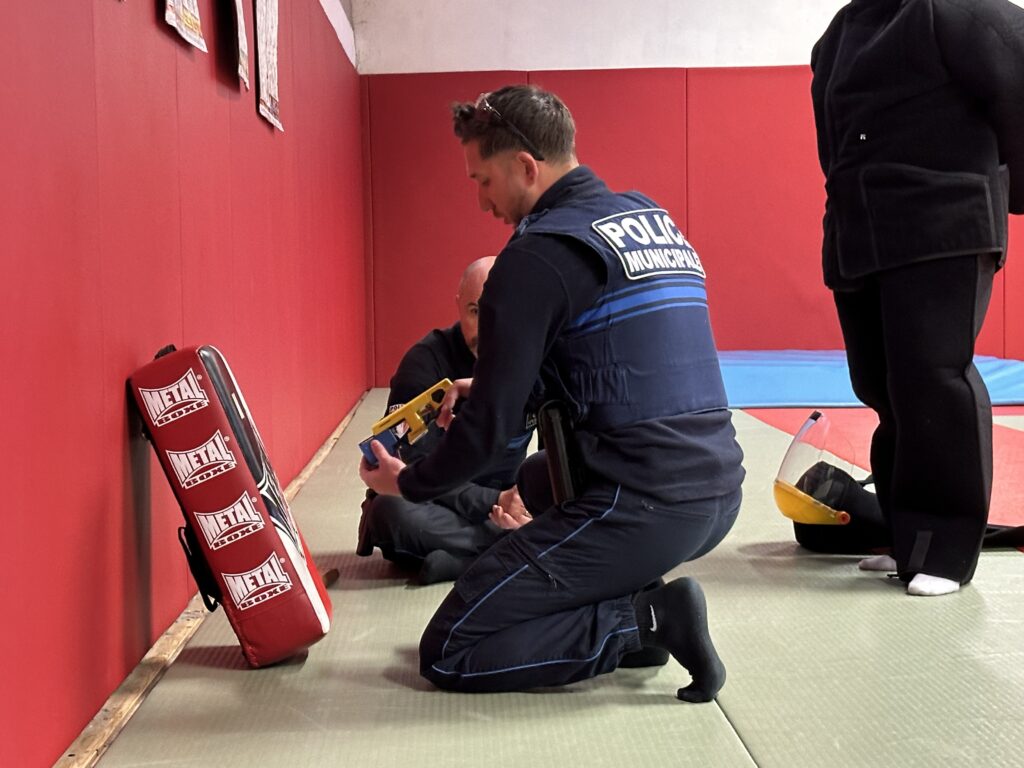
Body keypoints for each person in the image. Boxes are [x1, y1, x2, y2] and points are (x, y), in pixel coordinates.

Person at [360, 84, 744, 701]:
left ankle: (642, 620)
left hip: (642, 505)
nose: (482, 201)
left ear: (526, 166)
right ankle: (605, 589)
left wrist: (403, 483)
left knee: (451, 649)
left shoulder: (532, 257)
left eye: (483, 179)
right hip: (720, 491)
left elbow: (486, 442)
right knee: (534, 482)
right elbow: (605, 361)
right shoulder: (650, 217)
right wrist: (485, 387)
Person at [810, 0, 1024, 595]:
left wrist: (1006, 188)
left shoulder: (956, 10)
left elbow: (1018, 76)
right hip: (860, 232)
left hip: (942, 224)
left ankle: (946, 548)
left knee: (932, 377)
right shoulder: (839, 33)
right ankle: (910, 537)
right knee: (882, 386)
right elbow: (835, 143)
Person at [357, 256, 534, 585]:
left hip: (507, 501)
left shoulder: (535, 359)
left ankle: (466, 561)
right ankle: (516, 547)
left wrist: (524, 498)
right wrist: (494, 501)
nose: (486, 329)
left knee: (562, 479)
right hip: (438, 500)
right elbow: (411, 469)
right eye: (475, 311)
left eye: (497, 312)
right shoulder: (425, 363)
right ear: (458, 307)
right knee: (389, 512)